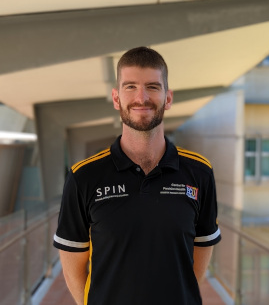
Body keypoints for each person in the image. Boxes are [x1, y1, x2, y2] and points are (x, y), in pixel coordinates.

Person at [53, 46, 221, 305]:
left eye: (153, 87)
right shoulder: (84, 177)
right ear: (116, 98)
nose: (141, 97)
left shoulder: (199, 172)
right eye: (130, 86)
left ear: (168, 97)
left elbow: (201, 250)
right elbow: (73, 268)